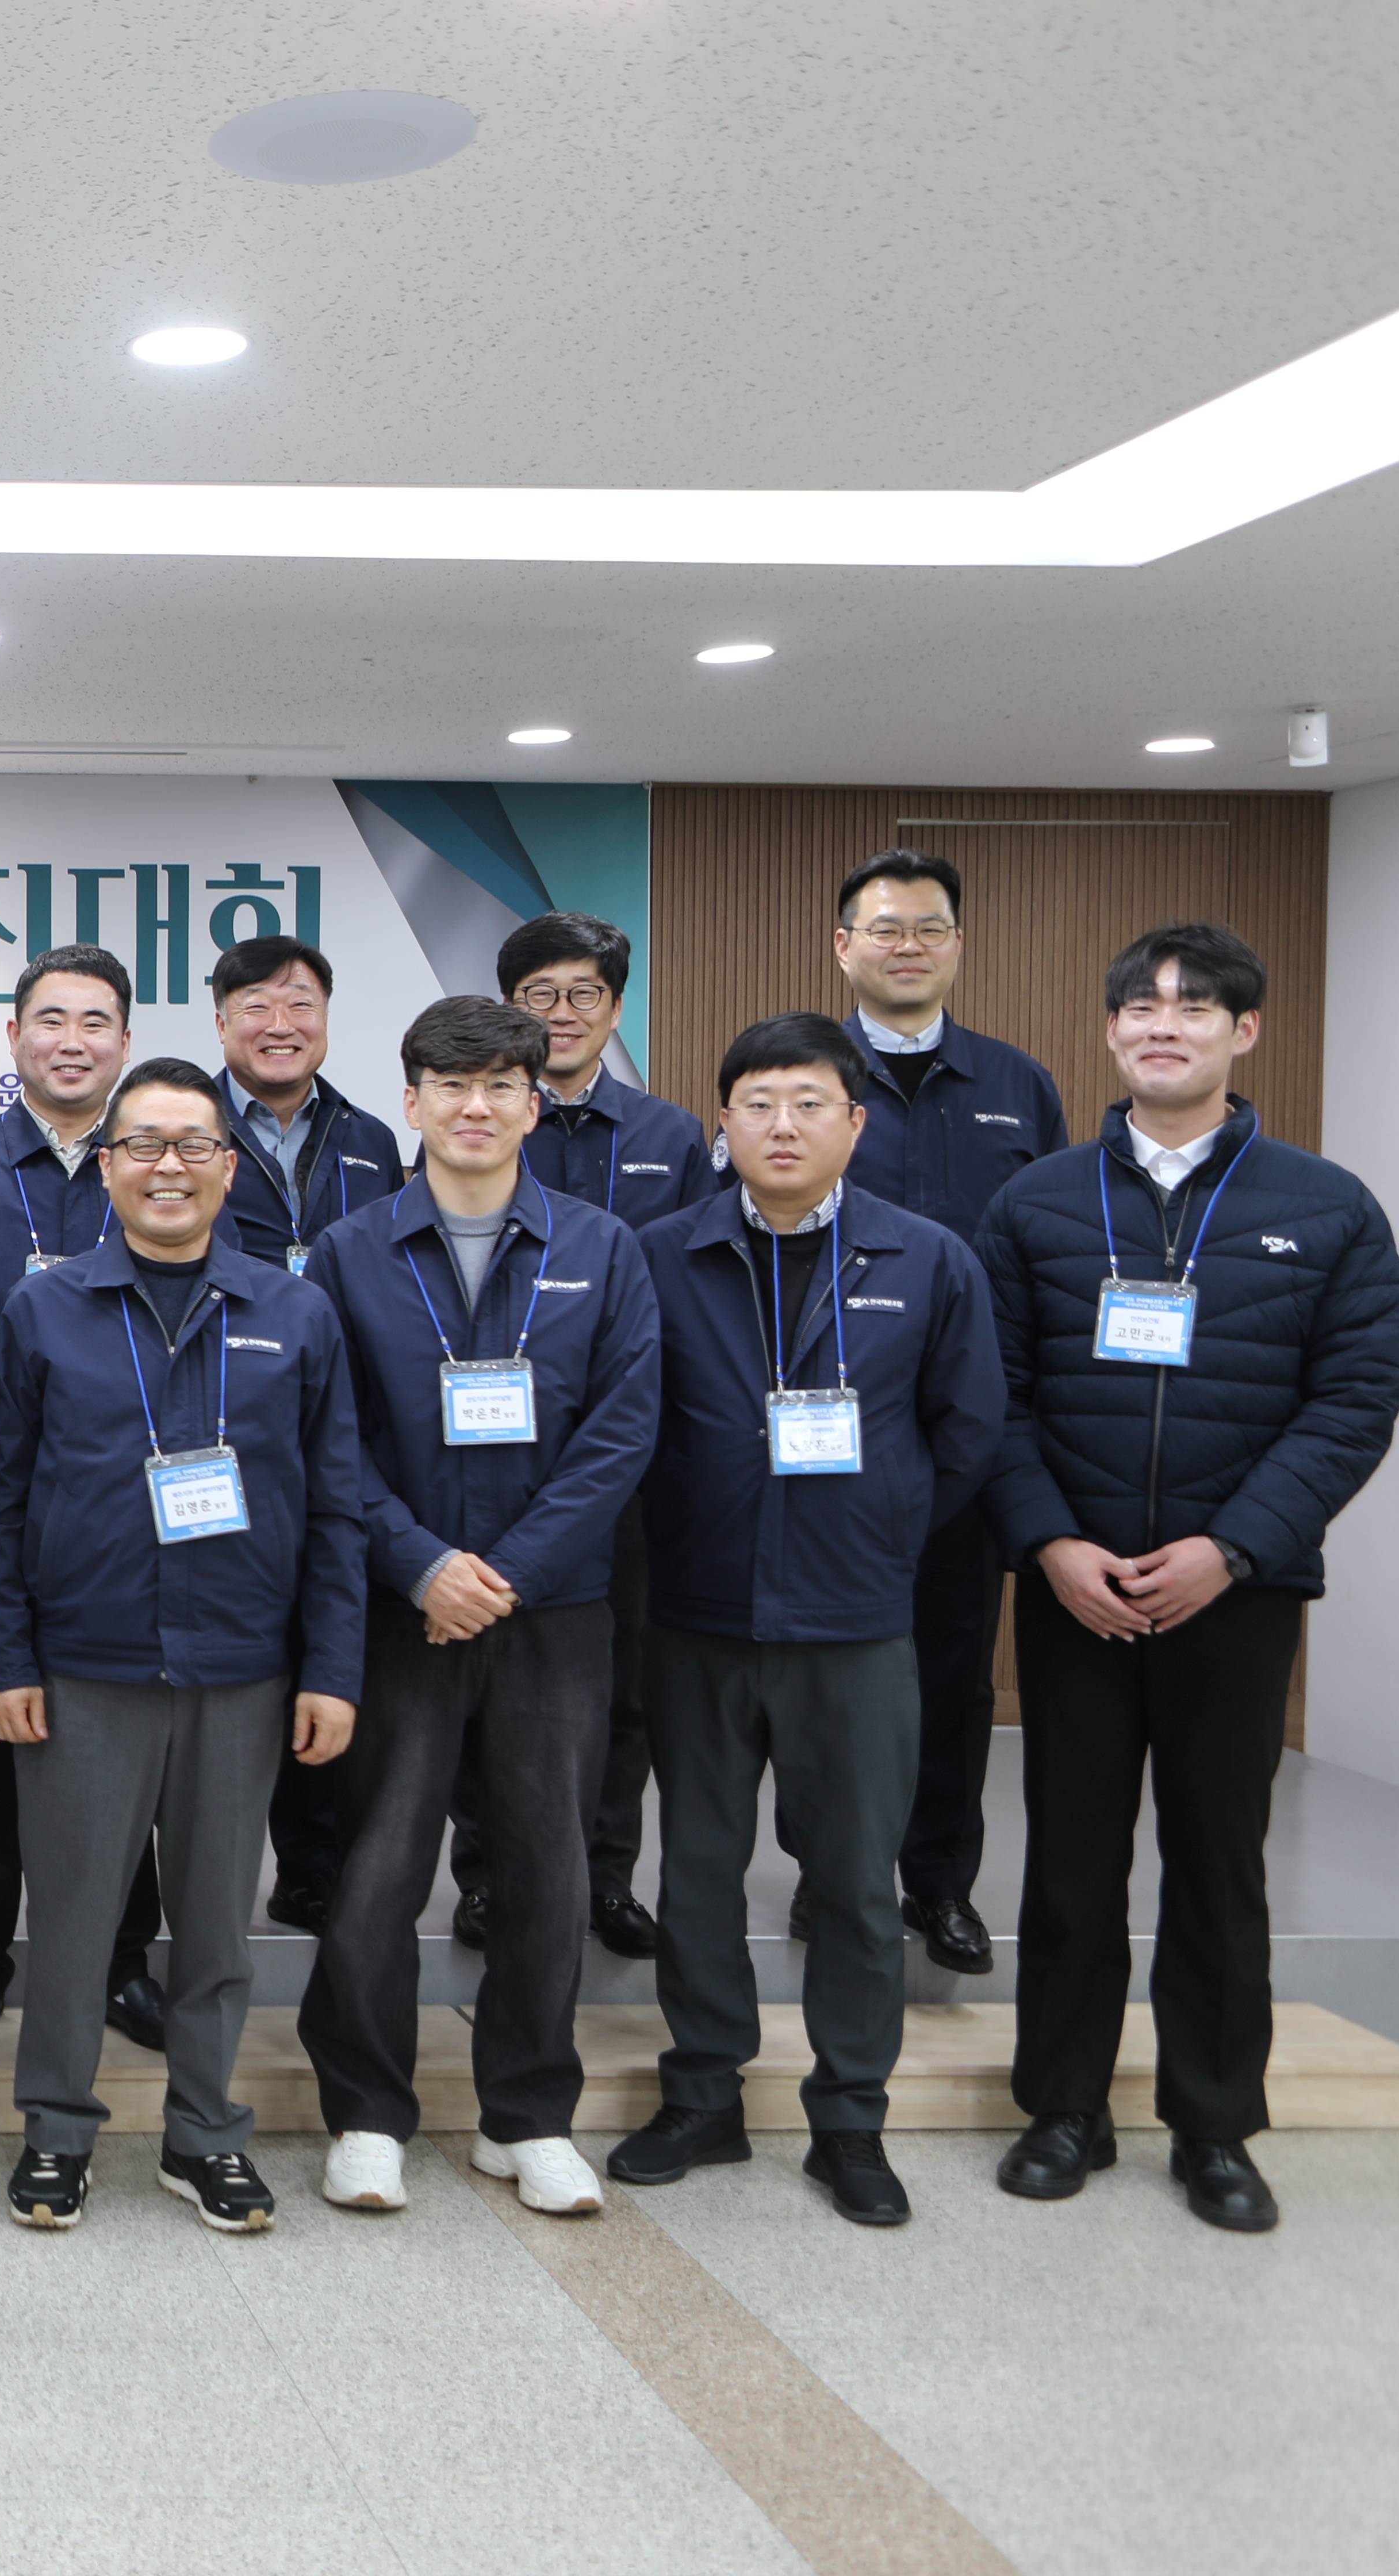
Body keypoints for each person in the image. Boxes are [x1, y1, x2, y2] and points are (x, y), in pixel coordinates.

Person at [975, 923, 1399, 2233]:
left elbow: (1353, 1401)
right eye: (1143, 1007)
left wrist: (1234, 1548)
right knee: (1070, 1859)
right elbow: (992, 1396)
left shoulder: (1327, 1207)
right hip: (1078, 1589)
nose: (1166, 1025)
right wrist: (1052, 1546)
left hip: (1238, 1593)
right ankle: (1064, 2107)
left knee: (1219, 1862)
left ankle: (1215, 2125)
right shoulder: (1038, 1202)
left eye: (1197, 1006)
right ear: (1111, 1031)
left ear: (1243, 1032)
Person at [608, 1014, 1002, 2230]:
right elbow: (622, 1424)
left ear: (855, 1123)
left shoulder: (928, 1259)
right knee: (699, 1873)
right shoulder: (659, 1256)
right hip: (700, 1616)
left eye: (809, 1103)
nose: (783, 1126)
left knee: (854, 1880)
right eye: (759, 1104)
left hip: (857, 1623)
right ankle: (704, 2093)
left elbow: (969, 1432)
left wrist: (880, 1531)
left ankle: (850, 2117)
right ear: (720, 1123)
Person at [0, 1058, 364, 2234]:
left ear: (229, 1169)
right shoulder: (45, 1309)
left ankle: (205, 2135)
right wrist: (8, 1658)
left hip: (242, 1669)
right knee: (74, 1923)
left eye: (194, 1145)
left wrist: (332, 1668)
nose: (168, 1167)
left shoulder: (293, 1312)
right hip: (84, 1668)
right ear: (107, 1167)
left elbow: (336, 1505)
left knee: (216, 1929)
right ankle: (57, 2130)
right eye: (142, 1144)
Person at [294, 999, 661, 2218]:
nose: (475, 1106)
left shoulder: (602, 1247)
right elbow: (327, 1438)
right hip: (400, 1610)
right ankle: (367, 2112)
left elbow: (622, 1432)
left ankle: (528, 2115)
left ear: (535, 1103)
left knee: (549, 1867)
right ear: (410, 1102)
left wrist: (506, 1573)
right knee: (379, 1867)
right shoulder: (350, 1251)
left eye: (502, 1085)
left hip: (552, 1612)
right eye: (450, 1086)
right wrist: (421, 1568)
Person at [0, 946, 167, 2054]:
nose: (72, 1041)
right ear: (14, 1039)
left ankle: (121, 1960)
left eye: (95, 1022)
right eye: (50, 1020)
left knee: (125, 1739)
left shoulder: (155, 1153)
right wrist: (34, 1375)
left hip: (129, 1494)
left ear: (124, 1041)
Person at [813, 850, 1071, 1976]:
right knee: (822, 1673)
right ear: (844, 947)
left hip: (969, 1432)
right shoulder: (806, 1073)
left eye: (929, 927)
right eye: (885, 928)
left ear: (958, 945)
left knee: (953, 1667)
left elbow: (1055, 1254)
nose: (907, 945)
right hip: (825, 1430)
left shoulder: (1019, 1084)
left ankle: (939, 1883)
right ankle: (834, 1877)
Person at [446, 911, 716, 1961]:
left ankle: (603, 1876)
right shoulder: (471, 1118)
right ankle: (485, 1879)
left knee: (618, 1684)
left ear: (615, 1009)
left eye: (584, 994)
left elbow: (690, 1287)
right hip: (485, 1455)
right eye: (540, 995)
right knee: (479, 1680)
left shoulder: (667, 1137)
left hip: (620, 1458)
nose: (563, 1014)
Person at [206, 933, 401, 1939]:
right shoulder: (185, 1129)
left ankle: (315, 1871)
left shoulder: (373, 1138)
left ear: (326, 1019)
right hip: (217, 1431)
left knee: (330, 1642)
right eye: (256, 1007)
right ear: (220, 1023)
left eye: (300, 1006)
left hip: (342, 1422)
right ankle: (207, 1883)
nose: (279, 1026)